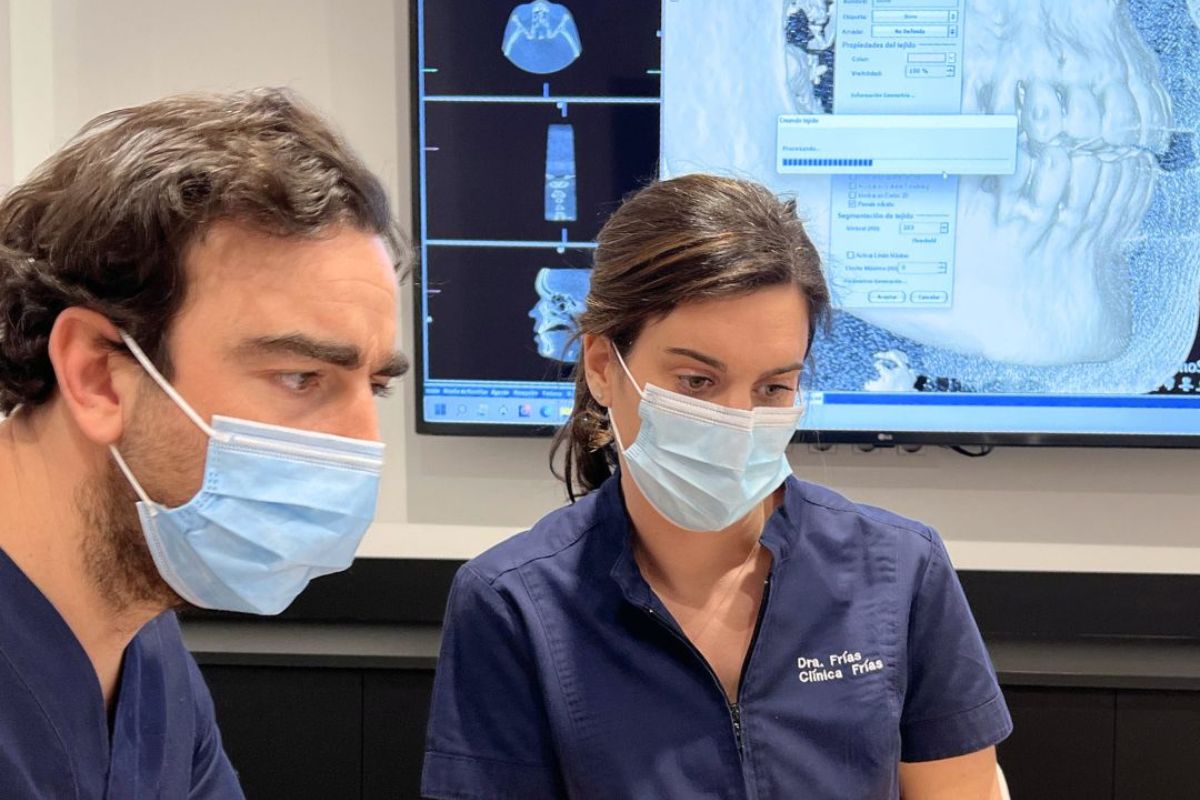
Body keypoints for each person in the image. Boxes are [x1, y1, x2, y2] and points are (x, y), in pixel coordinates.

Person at [422, 174, 1011, 799]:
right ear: (602, 367)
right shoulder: (516, 604)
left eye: (773, 387)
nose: (738, 420)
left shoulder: (897, 571)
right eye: (697, 381)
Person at [0, 88, 407, 798]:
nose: (362, 445)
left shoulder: (141, 645)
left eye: (374, 387)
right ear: (97, 374)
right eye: (301, 376)